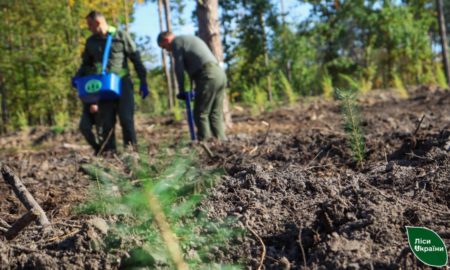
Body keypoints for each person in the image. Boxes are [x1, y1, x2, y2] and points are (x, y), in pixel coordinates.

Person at [73, 10, 149, 153]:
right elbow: (86, 65)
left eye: (90, 25)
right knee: (106, 123)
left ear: (97, 22)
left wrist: (143, 81)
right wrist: (77, 77)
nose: (89, 28)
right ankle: (110, 154)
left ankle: (132, 153)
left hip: (122, 84)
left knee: (126, 119)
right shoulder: (91, 42)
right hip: (103, 87)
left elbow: (136, 58)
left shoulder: (121, 36)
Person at [157, 31, 227, 141]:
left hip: (208, 75)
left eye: (164, 47)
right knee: (215, 113)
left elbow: (178, 68)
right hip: (219, 74)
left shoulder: (177, 42)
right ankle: (222, 144)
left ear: (166, 40)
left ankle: (205, 145)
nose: (166, 50)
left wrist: (181, 90)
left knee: (200, 113)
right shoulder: (187, 39)